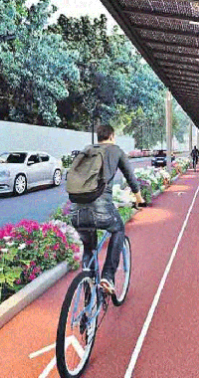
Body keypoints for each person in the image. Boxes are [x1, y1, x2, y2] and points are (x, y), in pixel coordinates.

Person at [70, 125, 145, 294]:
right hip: (101, 209)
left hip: (77, 212)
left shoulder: (87, 150)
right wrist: (139, 198)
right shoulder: (115, 150)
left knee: (88, 247)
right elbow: (130, 177)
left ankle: (88, 296)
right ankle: (108, 276)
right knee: (118, 229)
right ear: (111, 136)